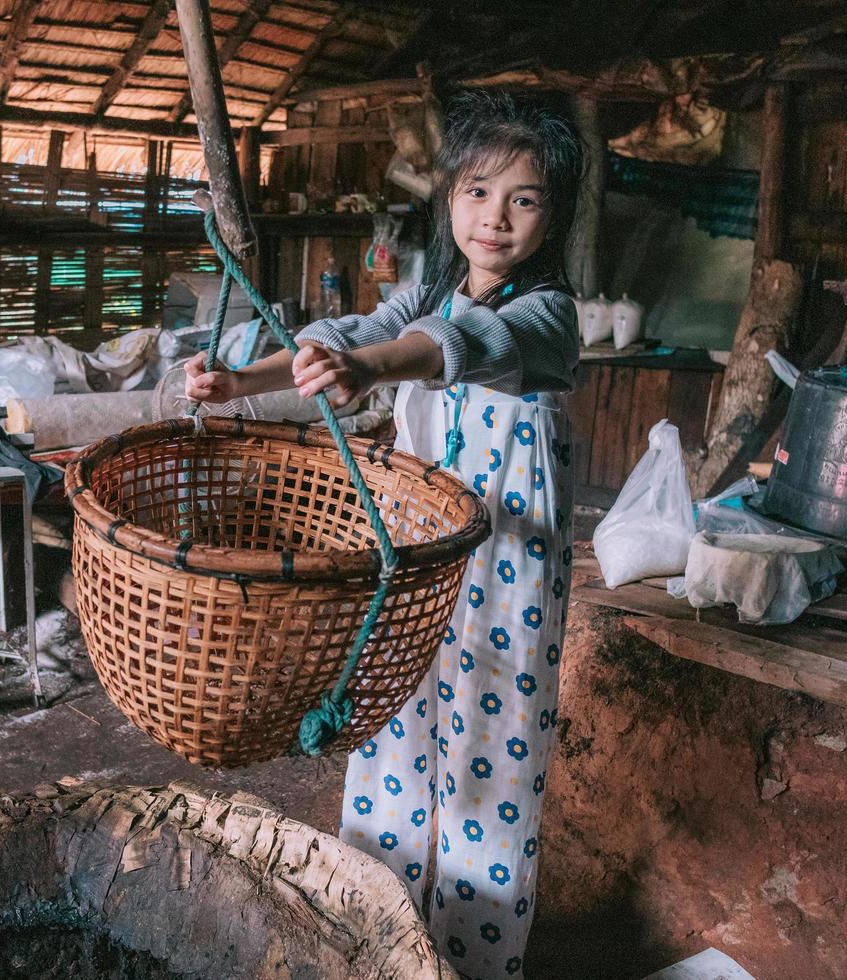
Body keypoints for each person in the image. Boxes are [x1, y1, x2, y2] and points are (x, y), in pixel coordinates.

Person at [185, 89, 587, 978]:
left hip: (506, 572)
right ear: (449, 198)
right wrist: (238, 381)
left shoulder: (549, 315)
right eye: (479, 191)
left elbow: (456, 343)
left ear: (552, 215)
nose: (496, 217)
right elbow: (356, 335)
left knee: (492, 768)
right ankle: (376, 935)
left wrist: (369, 366)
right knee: (389, 735)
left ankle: (470, 964)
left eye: (523, 199)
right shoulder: (426, 288)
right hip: (410, 556)